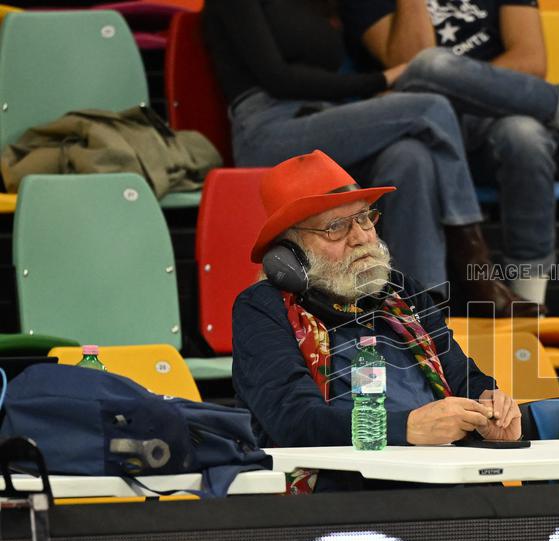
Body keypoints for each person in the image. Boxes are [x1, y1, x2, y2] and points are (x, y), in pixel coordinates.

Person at [341, 0, 559, 307]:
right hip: (416, 123)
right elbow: (411, 66)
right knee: (433, 67)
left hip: (491, 122)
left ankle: (530, 302)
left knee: (525, 135)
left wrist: (468, 85)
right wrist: (473, 82)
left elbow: (531, 61)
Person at [202, 0, 536, 315]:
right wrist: (382, 80)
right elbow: (278, 78)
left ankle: (420, 306)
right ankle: (474, 268)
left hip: (326, 116)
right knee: (431, 107)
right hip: (267, 127)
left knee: (410, 156)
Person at [232, 151, 521, 490]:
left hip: (444, 478)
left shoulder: (403, 291)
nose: (361, 237)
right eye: (335, 227)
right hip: (345, 496)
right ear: (290, 252)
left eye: (364, 218)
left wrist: (490, 405)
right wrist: (405, 428)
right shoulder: (263, 307)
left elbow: (462, 377)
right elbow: (294, 421)